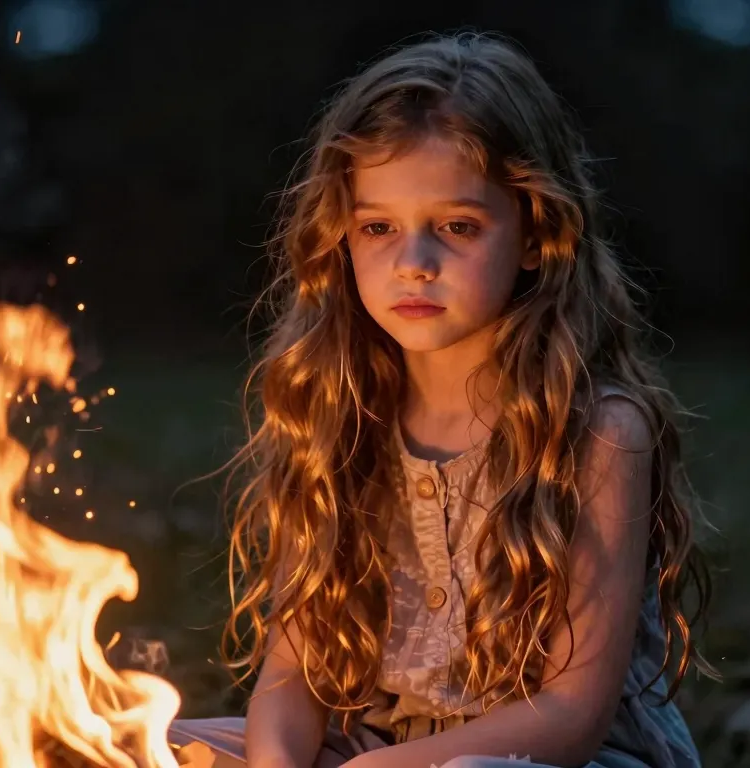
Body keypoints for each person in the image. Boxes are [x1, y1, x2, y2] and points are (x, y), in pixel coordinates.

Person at [169, 31, 716, 768]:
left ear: (534, 233)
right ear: (342, 237)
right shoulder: (338, 414)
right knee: (134, 743)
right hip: (379, 749)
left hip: (549, 762)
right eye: (378, 228)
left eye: (457, 227)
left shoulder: (599, 432)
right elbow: (290, 679)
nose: (414, 264)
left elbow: (569, 716)